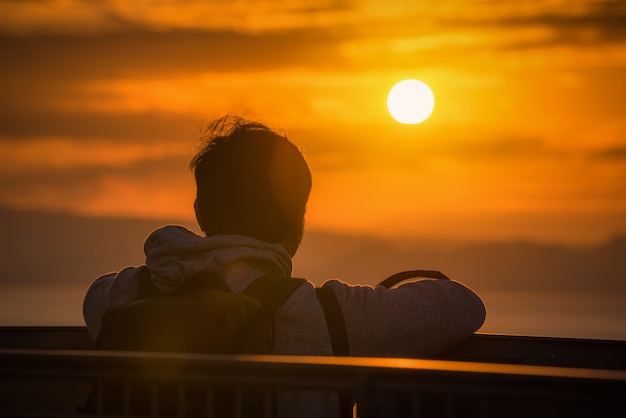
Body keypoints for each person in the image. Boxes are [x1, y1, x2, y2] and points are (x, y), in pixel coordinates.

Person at [83, 115, 486, 418]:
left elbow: (92, 297)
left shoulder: (124, 296)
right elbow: (464, 305)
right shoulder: (329, 316)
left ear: (200, 210)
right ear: (298, 220)